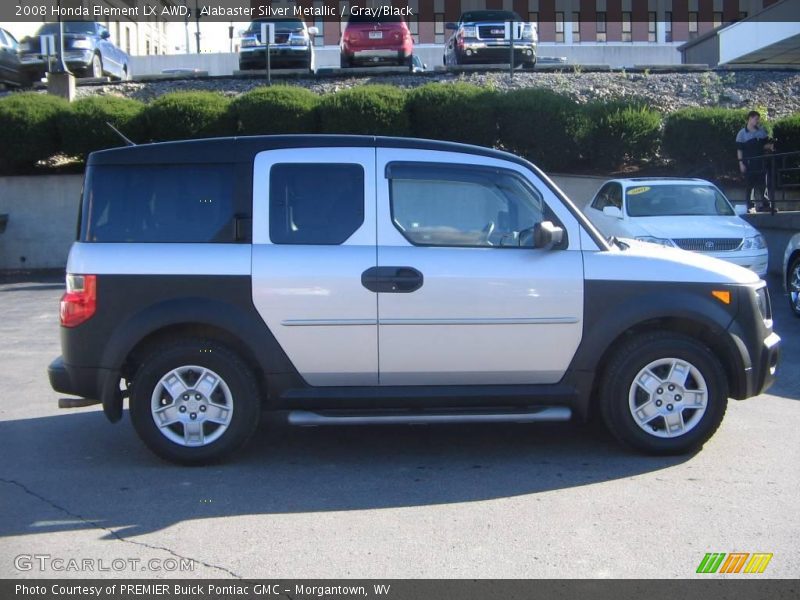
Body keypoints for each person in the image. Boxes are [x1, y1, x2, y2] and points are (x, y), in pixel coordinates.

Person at [736, 110, 774, 213]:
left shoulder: (761, 131)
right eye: (756, 119)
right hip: (749, 163)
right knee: (750, 185)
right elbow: (739, 150)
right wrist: (741, 163)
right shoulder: (742, 133)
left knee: (763, 184)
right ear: (750, 118)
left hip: (761, 163)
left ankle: (765, 205)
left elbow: (765, 145)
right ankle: (750, 206)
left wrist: (770, 146)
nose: (758, 121)